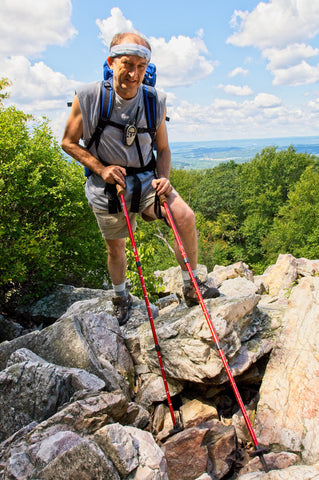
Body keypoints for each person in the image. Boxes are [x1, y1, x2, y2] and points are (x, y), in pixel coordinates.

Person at [62, 31, 219, 325]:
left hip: (147, 180)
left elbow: (163, 147)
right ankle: (121, 297)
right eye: (127, 64)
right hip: (108, 186)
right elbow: (68, 142)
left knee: (184, 216)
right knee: (116, 248)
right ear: (111, 62)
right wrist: (102, 169)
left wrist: (164, 178)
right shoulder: (89, 97)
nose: (134, 74)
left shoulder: (155, 100)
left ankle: (192, 285)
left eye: (141, 67)